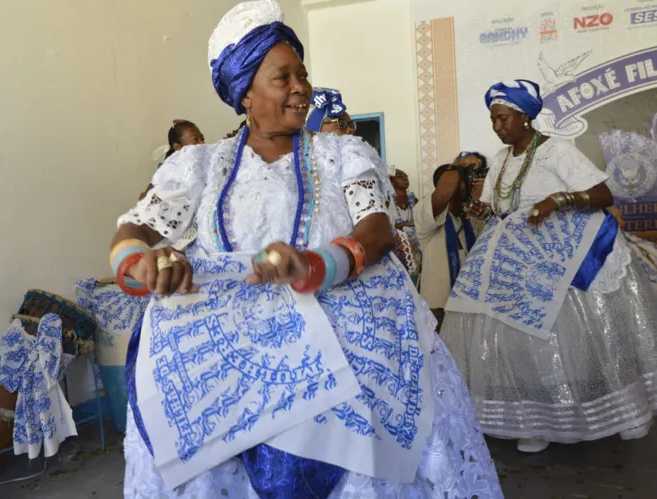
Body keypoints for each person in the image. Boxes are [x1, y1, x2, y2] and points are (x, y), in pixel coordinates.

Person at [110, 1, 503, 497]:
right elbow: (136, 229)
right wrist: (140, 263)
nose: (301, 88)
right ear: (245, 94)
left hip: (344, 329)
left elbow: (376, 231)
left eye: (303, 74)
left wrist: (318, 264)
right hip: (231, 345)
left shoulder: (342, 154)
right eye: (283, 78)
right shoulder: (199, 166)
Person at [440, 79, 657, 454]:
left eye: (503, 118)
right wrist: (480, 209)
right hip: (514, 258)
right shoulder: (503, 159)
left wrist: (559, 199)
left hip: (561, 256)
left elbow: (603, 194)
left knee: (564, 337)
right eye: (493, 120)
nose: (497, 126)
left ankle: (592, 414)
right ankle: (534, 420)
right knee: (513, 338)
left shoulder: (557, 151)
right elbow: (498, 208)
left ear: (524, 117)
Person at [413, 155, 484, 329]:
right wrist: (457, 167)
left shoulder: (471, 216)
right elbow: (444, 193)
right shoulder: (426, 211)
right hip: (439, 305)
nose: (469, 182)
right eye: (465, 179)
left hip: (469, 303)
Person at [139, 120, 206, 200]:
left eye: (202, 138)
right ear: (178, 147)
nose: (202, 143)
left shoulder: (207, 165)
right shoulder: (166, 173)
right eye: (195, 139)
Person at [389, 168, 423, 284]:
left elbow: (422, 221)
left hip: (417, 248)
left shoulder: (414, 200)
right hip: (397, 248)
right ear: (392, 182)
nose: (405, 179)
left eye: (406, 176)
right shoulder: (387, 201)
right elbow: (386, 227)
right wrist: (405, 225)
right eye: (400, 176)